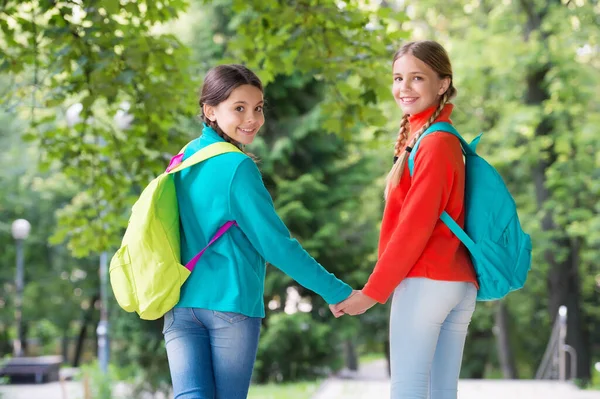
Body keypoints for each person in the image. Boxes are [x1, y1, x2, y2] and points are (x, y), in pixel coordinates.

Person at [163, 64, 353, 399]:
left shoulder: (182, 159)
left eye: (258, 108)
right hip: (230, 305)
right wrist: (336, 291)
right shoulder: (237, 166)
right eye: (239, 108)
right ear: (210, 110)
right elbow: (278, 246)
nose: (252, 119)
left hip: (179, 304)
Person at [335, 40, 479, 399]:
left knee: (409, 391)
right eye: (398, 78)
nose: (404, 88)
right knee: (441, 392)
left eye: (417, 78)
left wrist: (372, 292)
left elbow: (414, 227)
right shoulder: (432, 139)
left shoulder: (434, 143)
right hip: (457, 284)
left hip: (427, 282)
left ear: (442, 83)